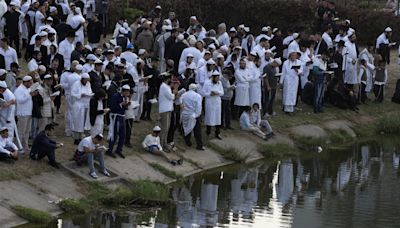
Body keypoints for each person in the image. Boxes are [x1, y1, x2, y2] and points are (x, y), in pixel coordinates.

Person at [107, 85, 131, 159]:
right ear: (123, 91)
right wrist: (121, 104)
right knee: (114, 134)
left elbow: (124, 107)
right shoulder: (115, 96)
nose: (127, 95)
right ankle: (109, 150)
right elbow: (112, 107)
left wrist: (126, 105)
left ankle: (119, 149)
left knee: (123, 134)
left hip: (122, 116)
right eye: (126, 93)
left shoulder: (125, 97)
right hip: (116, 116)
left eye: (128, 93)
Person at [14, 76, 36, 154]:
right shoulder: (19, 90)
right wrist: (29, 95)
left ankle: (25, 146)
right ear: (25, 82)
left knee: (27, 131)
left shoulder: (28, 89)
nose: (31, 85)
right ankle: (19, 147)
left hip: (28, 113)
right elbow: (19, 101)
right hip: (22, 114)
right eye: (30, 83)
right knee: (21, 132)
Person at [70, 73, 92, 144]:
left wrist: (89, 95)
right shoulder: (76, 84)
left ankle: (81, 137)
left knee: (84, 122)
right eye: (85, 80)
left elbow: (90, 92)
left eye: (87, 80)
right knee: (78, 123)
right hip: (78, 105)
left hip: (86, 105)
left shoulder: (88, 84)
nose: (86, 82)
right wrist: (80, 95)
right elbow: (72, 93)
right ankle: (76, 138)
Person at [181, 84, 204, 150]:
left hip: (185, 114)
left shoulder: (184, 95)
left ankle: (187, 142)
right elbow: (199, 107)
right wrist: (196, 115)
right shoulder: (198, 96)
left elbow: (181, 104)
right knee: (197, 131)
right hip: (194, 114)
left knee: (186, 128)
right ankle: (199, 145)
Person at [280, 48, 303, 114]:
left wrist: (297, 70)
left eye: (295, 55)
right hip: (288, 80)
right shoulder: (286, 63)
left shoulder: (299, 62)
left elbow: (301, 71)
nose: (294, 57)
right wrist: (281, 81)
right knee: (287, 94)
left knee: (293, 94)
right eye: (292, 55)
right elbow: (283, 72)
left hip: (295, 79)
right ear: (290, 56)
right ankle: (286, 108)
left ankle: (291, 108)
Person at [202, 71, 224, 139]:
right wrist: (210, 94)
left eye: (218, 78)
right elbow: (203, 93)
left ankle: (217, 133)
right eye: (216, 78)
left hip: (217, 102)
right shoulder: (207, 83)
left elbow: (222, 92)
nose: (217, 79)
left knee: (217, 118)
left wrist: (217, 93)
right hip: (210, 102)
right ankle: (208, 132)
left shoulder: (219, 83)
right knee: (209, 117)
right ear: (213, 77)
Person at [158, 73, 177, 151]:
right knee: (164, 128)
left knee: (167, 127)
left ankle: (164, 143)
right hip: (164, 109)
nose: (172, 81)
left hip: (168, 109)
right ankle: (161, 144)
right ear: (168, 79)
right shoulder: (164, 87)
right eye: (171, 79)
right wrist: (174, 92)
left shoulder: (166, 87)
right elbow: (171, 97)